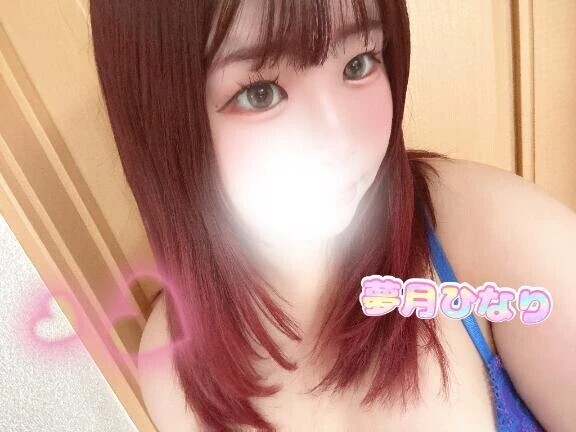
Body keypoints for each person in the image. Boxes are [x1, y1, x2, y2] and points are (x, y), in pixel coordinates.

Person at [88, 0, 576, 430]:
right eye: (260, 93)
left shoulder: (506, 239)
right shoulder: (172, 366)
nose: (338, 137)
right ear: (165, 121)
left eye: (359, 63)